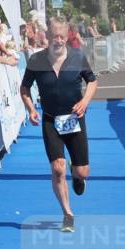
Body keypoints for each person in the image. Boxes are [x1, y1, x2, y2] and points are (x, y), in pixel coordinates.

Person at [19, 17, 98, 233]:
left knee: (82, 172)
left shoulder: (78, 57)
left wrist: (84, 101)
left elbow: (92, 81)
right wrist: (31, 109)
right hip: (50, 120)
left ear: (68, 36)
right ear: (47, 36)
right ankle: (68, 214)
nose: (59, 40)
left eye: (62, 36)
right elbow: (24, 89)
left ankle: (77, 173)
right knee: (57, 168)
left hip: (74, 119)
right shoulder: (36, 60)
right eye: (55, 36)